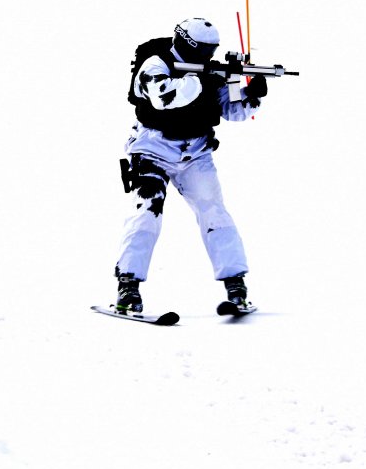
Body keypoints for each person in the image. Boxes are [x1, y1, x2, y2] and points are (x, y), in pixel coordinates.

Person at [113, 17, 269, 314]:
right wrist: (202, 79)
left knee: (214, 211)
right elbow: (163, 97)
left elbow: (233, 111)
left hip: (195, 153)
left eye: (212, 51)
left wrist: (250, 95)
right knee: (147, 213)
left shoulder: (210, 71)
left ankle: (235, 284)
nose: (208, 57)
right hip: (152, 150)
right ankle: (128, 285)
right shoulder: (155, 64)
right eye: (203, 51)